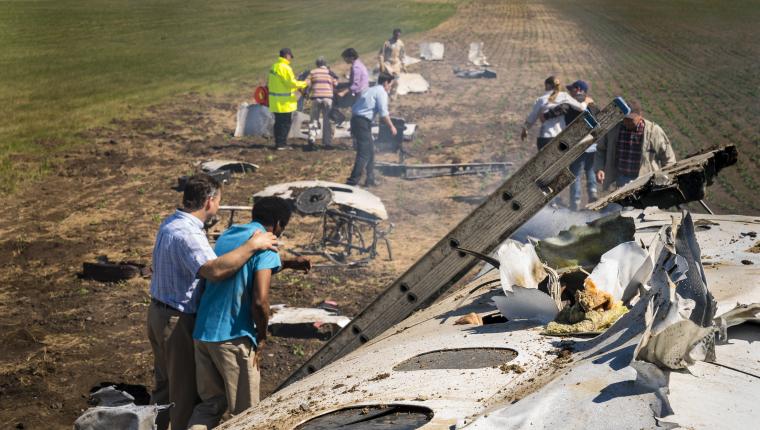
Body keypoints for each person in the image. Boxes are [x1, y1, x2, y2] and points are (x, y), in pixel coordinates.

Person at [147, 174, 278, 430]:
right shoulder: (189, 234)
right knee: (183, 395)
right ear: (209, 201)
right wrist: (253, 245)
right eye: (218, 200)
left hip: (158, 313)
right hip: (178, 321)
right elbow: (216, 270)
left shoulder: (170, 223)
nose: (218, 206)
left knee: (163, 388)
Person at [187, 197, 310, 429]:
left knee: (210, 406)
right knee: (247, 416)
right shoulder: (267, 245)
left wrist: (289, 263)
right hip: (233, 338)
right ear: (278, 223)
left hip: (203, 333)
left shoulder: (228, 236)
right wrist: (262, 335)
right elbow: (260, 300)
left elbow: (243, 265)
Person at [541, 80, 599, 210]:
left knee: (576, 174)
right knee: (590, 170)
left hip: (576, 144)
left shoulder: (571, 102)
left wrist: (546, 115)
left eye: (571, 89)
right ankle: (593, 193)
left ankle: (575, 203)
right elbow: (598, 117)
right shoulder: (591, 102)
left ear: (578, 89)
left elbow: (561, 110)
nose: (569, 92)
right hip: (592, 144)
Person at [595, 99, 677, 190]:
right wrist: (600, 168)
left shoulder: (653, 131)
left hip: (646, 181)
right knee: (615, 204)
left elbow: (669, 158)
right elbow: (601, 150)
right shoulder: (614, 129)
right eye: (625, 118)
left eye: (630, 119)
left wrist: (665, 178)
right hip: (619, 181)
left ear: (640, 115)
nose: (627, 122)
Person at [346, 73, 397, 187]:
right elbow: (383, 113)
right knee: (364, 153)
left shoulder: (370, 89)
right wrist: (391, 126)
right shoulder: (381, 92)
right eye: (390, 84)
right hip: (362, 122)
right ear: (385, 83)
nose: (390, 87)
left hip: (357, 120)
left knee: (370, 151)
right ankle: (352, 182)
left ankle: (370, 179)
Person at [521, 76, 588, 151]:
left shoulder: (541, 100)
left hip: (544, 138)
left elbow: (532, 117)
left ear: (547, 85)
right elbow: (582, 108)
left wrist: (525, 129)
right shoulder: (565, 96)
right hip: (560, 138)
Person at [267, 48, 307, 150]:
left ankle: (278, 143)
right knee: (285, 123)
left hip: (275, 101)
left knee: (278, 122)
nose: (290, 59)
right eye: (290, 57)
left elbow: (282, 84)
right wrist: (305, 83)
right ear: (287, 55)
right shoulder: (285, 68)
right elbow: (291, 83)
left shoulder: (274, 66)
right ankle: (282, 144)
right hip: (284, 102)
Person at [330, 48, 369, 126]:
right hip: (360, 91)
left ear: (351, 57)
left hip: (359, 93)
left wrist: (343, 92)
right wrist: (340, 86)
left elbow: (356, 85)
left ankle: (340, 117)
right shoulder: (358, 64)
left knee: (331, 100)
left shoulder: (356, 68)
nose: (344, 60)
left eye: (345, 58)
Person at [305, 56, 338, 148]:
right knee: (327, 120)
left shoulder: (312, 72)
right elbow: (335, 84)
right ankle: (327, 142)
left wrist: (307, 92)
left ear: (317, 64)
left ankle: (312, 138)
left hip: (316, 98)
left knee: (314, 119)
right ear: (325, 64)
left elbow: (307, 83)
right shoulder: (330, 72)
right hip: (328, 98)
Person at [378, 28, 406, 98]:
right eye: (396, 35)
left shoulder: (401, 44)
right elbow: (381, 54)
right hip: (387, 63)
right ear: (393, 34)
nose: (397, 37)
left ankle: (393, 94)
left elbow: (402, 55)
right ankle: (383, 92)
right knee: (385, 78)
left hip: (396, 64)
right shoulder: (387, 43)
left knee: (396, 80)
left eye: (399, 36)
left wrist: (403, 65)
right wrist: (381, 63)